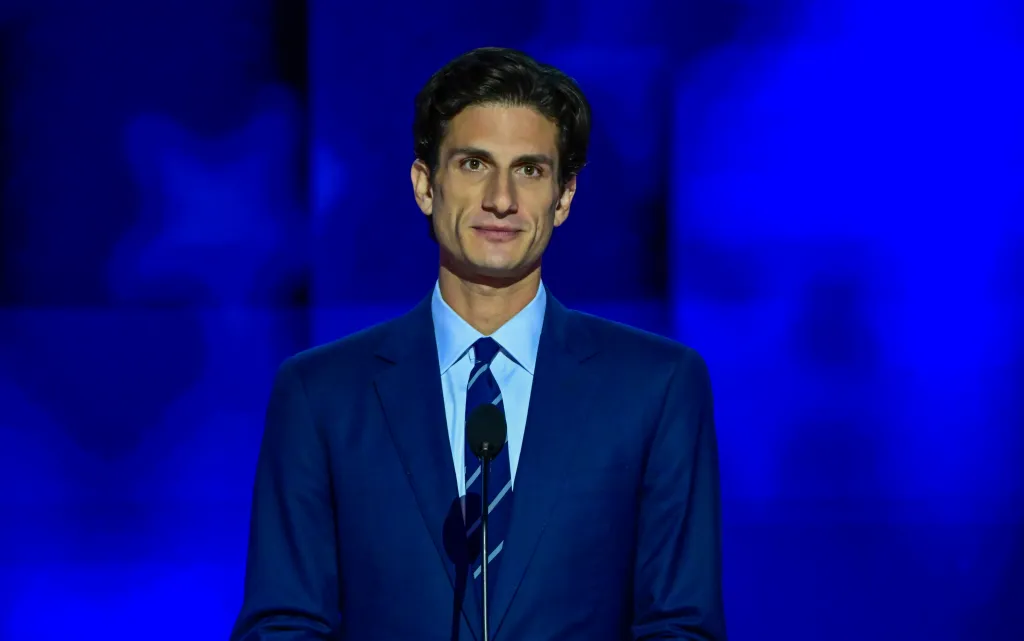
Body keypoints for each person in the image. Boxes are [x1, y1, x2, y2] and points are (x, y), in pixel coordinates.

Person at [231, 46, 726, 641]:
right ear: (425, 185)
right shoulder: (321, 394)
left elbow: (681, 626)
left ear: (564, 197)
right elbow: (283, 624)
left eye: (530, 170)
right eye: (473, 164)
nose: (501, 199)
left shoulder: (658, 386)